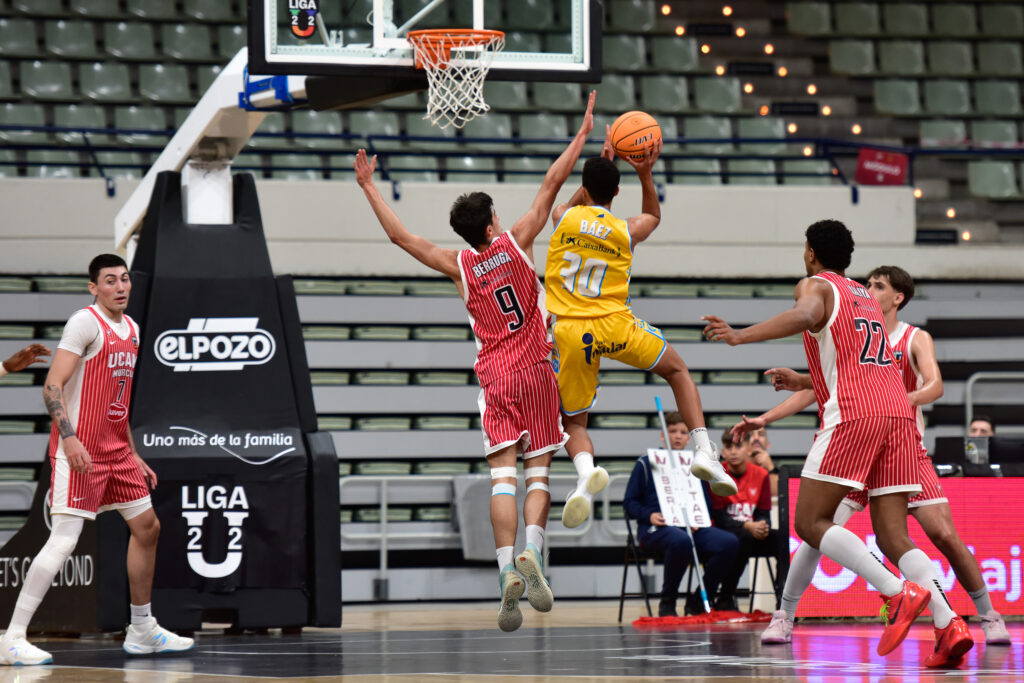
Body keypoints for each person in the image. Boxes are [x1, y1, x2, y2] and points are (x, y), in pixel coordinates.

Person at [354, 93, 596, 632]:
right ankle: (533, 553)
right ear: (492, 222)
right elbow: (552, 186)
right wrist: (580, 137)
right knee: (540, 472)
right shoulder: (517, 241)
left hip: (494, 376)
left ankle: (505, 568)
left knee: (500, 480)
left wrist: (369, 186)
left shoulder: (458, 264)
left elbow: (400, 237)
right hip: (535, 369)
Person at [702, 221, 974, 667]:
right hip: (898, 417)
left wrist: (739, 335)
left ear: (811, 253)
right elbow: (863, 364)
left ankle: (895, 592)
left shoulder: (815, 284)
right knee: (893, 536)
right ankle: (949, 624)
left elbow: (806, 316)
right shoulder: (865, 296)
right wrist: (807, 379)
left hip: (854, 415)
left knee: (811, 522)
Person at [733, 265, 1011, 647]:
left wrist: (898, 399)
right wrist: (773, 409)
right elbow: (830, 381)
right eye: (868, 284)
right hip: (871, 438)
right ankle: (786, 615)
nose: (869, 290)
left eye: (878, 286)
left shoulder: (912, 336)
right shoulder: (858, 324)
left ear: (898, 297)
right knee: (826, 533)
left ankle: (984, 615)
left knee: (940, 534)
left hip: (897, 442)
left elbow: (935, 386)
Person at [0, 254, 193, 666]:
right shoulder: (84, 323)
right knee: (64, 540)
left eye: (125, 279)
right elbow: (53, 384)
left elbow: (117, 401)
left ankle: (141, 629)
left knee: (147, 527)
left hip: (117, 449)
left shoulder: (134, 330)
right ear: (94, 287)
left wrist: (134, 453)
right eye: (110, 280)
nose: (120, 286)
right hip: (80, 449)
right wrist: (68, 439)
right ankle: (13, 636)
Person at [545, 129, 735, 530]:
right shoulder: (624, 229)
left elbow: (575, 200)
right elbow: (654, 216)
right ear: (616, 192)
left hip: (570, 332)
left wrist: (601, 173)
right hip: (616, 324)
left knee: (574, 423)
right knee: (678, 371)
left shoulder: (562, 216)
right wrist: (644, 173)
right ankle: (704, 451)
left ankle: (584, 476)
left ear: (584, 187)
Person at [622, 413, 739, 616]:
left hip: (691, 527)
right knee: (681, 540)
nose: (678, 436)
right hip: (656, 528)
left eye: (684, 432)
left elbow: (706, 502)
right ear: (662, 435)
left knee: (729, 543)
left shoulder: (696, 465)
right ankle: (668, 602)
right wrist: (649, 516)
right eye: (673, 431)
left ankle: (698, 600)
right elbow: (629, 503)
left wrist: (698, 517)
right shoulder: (645, 463)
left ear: (689, 438)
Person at [709, 430, 785, 612]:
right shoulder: (716, 473)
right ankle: (725, 598)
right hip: (724, 532)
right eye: (729, 447)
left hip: (751, 532)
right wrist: (748, 525)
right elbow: (719, 517)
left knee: (781, 539)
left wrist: (762, 525)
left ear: (748, 449)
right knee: (743, 538)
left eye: (739, 446)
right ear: (723, 452)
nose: (734, 452)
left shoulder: (761, 474)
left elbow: (763, 512)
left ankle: (783, 599)